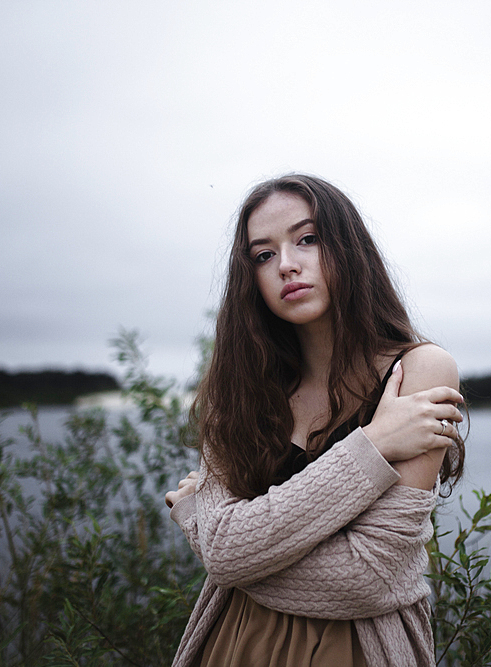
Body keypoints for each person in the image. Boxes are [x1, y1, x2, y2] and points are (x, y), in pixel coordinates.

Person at [165, 174, 465, 667]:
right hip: (235, 642)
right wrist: (372, 446)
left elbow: (368, 578)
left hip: (359, 649)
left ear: (348, 248)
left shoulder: (419, 371)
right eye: (263, 255)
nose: (286, 265)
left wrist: (205, 523)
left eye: (308, 239)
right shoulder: (237, 389)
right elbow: (225, 557)